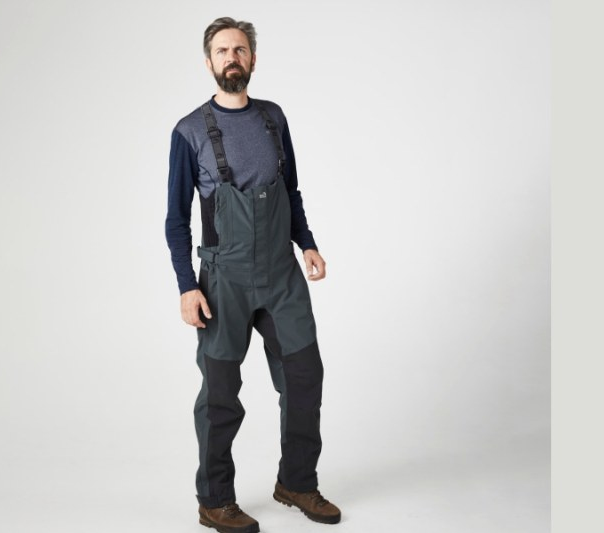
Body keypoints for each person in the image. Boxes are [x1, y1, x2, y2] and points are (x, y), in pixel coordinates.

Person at [165, 17, 341, 533]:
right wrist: (187, 286)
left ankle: (297, 483)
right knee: (221, 394)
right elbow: (175, 219)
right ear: (209, 62)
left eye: (240, 49)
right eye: (222, 51)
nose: (232, 58)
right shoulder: (189, 131)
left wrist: (307, 243)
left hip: (282, 275)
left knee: (305, 378)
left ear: (253, 59)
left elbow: (291, 190)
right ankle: (215, 499)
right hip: (225, 280)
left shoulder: (273, 118)